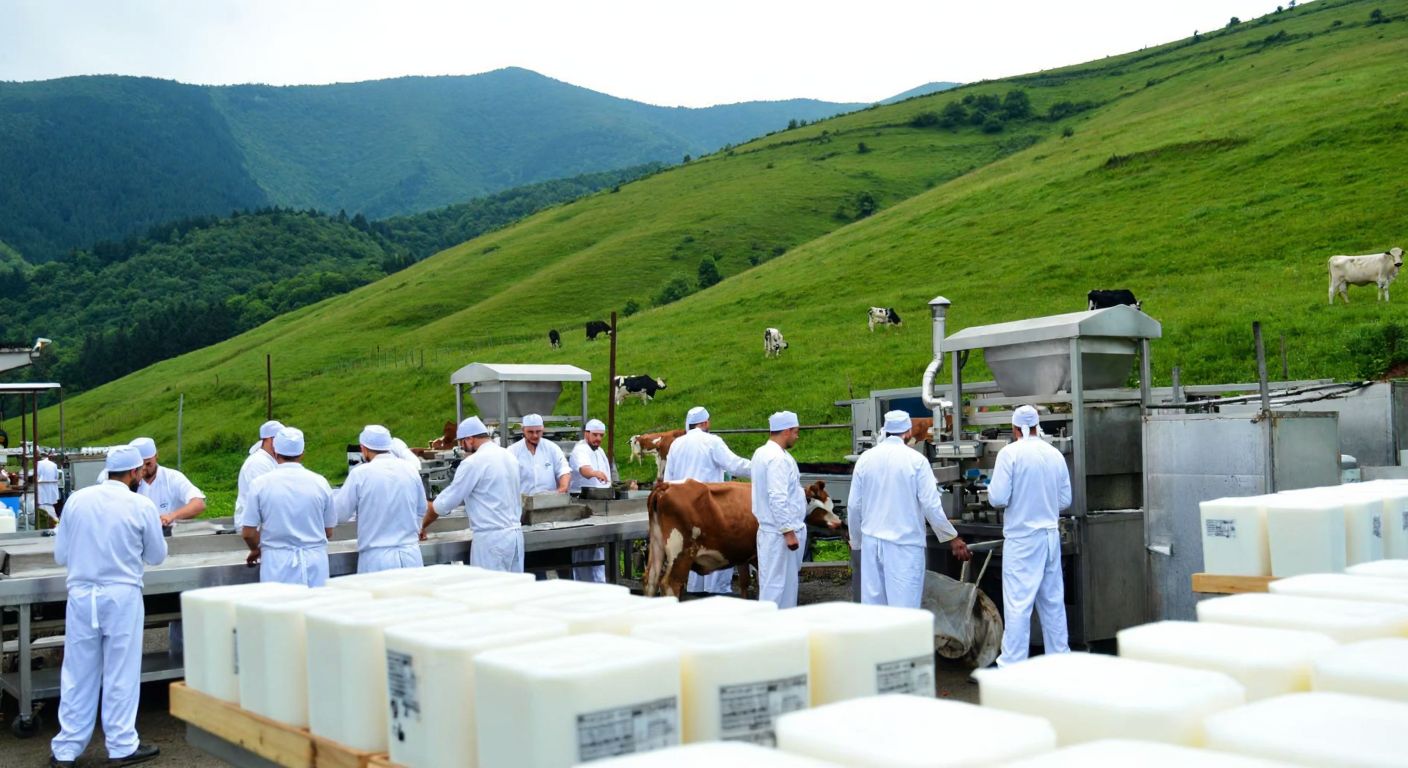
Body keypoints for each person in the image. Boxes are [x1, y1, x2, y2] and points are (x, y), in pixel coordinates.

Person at [49, 445, 165, 768]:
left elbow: (60, 556)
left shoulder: (76, 501)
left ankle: (67, 750)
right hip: (122, 595)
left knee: (77, 672)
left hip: (82, 596)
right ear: (135, 473)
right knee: (121, 671)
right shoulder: (140, 505)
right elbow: (157, 556)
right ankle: (121, 745)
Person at [848, 410, 971, 608]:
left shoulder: (865, 459)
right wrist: (952, 537)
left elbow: (854, 505)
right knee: (904, 611)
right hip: (903, 545)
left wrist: (856, 542)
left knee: (874, 611)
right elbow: (931, 505)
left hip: (872, 545)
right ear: (907, 433)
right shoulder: (916, 461)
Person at [988, 405, 1073, 667]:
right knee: (1053, 604)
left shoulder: (1009, 454)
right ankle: (1060, 663)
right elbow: (1065, 500)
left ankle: (1012, 666)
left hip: (1023, 539)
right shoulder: (1054, 454)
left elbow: (998, 498)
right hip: (1049, 536)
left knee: (1018, 605)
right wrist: (1042, 503)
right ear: (1037, 426)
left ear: (1015, 429)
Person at [663, 406, 751, 595]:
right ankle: (717, 593)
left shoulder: (676, 445)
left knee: (692, 551)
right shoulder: (712, 441)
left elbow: (667, 481)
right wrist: (760, 468)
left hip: (683, 509)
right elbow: (734, 465)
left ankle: (695, 594)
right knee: (717, 549)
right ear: (704, 423)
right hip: (709, 507)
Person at [421, 417, 524, 572]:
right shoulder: (509, 456)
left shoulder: (473, 462)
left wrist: (421, 525)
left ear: (469, 439)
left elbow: (445, 503)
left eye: (462, 443)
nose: (462, 448)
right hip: (515, 537)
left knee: (489, 593)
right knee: (514, 592)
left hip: (491, 541)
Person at [241, 428, 337, 586]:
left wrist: (256, 550)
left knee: (280, 609)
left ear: (276, 451)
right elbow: (328, 531)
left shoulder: (260, 484)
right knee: (315, 608)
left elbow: (248, 532)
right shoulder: (320, 483)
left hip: (277, 563)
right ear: (302, 453)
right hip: (314, 563)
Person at [337, 425, 426, 572]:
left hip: (377, 560)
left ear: (363, 448)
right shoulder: (410, 469)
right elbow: (421, 509)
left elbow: (340, 514)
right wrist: (414, 530)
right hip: (411, 556)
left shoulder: (360, 474)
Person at [751, 411, 806, 608]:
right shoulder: (777, 459)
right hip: (780, 534)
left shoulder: (762, 452)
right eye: (796, 432)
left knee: (777, 584)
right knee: (777, 587)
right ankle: (773, 629)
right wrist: (788, 531)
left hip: (771, 531)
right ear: (786, 431)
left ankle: (780, 628)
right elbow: (777, 496)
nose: (797, 436)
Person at [568, 419, 613, 581]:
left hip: (599, 506)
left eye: (601, 435)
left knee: (597, 551)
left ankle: (599, 585)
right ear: (586, 433)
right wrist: (595, 473)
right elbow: (584, 470)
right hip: (582, 507)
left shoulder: (599, 451)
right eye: (595, 435)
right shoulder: (580, 450)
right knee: (583, 552)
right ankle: (584, 586)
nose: (598, 439)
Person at [128, 437, 206, 527]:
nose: (144, 468)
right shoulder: (130, 482)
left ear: (156, 456)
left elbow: (199, 504)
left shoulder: (172, 477)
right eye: (140, 465)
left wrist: (172, 516)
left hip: (171, 534)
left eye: (148, 463)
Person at [235, 420, 283, 527]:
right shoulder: (257, 463)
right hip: (253, 527)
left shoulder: (271, 460)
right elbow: (264, 499)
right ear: (270, 440)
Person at [508, 413, 570, 494]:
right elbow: (506, 478)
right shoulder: (513, 451)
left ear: (543, 429)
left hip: (548, 501)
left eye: (538, 431)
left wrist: (561, 489)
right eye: (530, 432)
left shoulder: (552, 448)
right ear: (523, 430)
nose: (535, 435)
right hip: (522, 501)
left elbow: (563, 470)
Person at [37, 452, 61, 523]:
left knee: (43, 505)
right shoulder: (53, 465)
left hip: (41, 491)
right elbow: (57, 476)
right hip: (50, 492)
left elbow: (36, 475)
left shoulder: (38, 464)